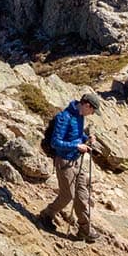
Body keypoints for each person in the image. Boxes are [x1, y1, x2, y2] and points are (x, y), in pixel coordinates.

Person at [38, 92, 101, 242]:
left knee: (82, 196)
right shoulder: (64, 117)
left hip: (76, 161)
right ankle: (46, 215)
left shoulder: (80, 116)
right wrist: (76, 146)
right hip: (64, 162)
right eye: (92, 111)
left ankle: (85, 229)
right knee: (68, 195)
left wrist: (86, 138)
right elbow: (55, 142)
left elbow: (76, 136)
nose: (92, 114)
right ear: (87, 105)